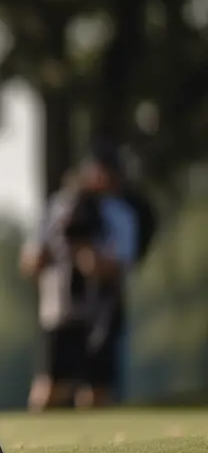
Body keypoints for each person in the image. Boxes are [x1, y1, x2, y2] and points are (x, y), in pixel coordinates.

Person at [20, 140, 140, 410]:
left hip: (102, 312)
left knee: (97, 387)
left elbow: (120, 264)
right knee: (52, 385)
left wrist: (88, 255)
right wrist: (55, 251)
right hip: (61, 310)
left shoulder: (120, 214)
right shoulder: (59, 207)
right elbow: (30, 261)